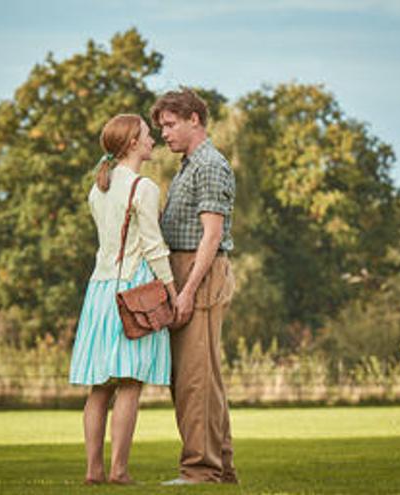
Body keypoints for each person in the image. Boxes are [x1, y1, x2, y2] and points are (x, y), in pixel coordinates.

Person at [68, 113, 178, 485]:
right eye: (148, 135)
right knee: (129, 383)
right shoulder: (142, 187)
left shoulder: (98, 187)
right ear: (132, 142)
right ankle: (119, 471)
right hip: (133, 292)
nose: (153, 140)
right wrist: (173, 290)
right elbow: (152, 245)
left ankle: (92, 471)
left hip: (99, 292)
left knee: (100, 387)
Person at [151, 89, 238, 485]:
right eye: (161, 127)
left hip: (198, 273)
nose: (164, 134)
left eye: (170, 125)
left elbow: (212, 236)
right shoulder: (189, 165)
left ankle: (200, 471)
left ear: (194, 120)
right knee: (205, 377)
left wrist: (185, 291)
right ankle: (221, 468)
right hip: (184, 269)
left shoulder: (210, 165)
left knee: (194, 379)